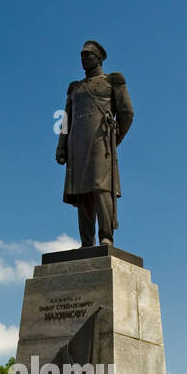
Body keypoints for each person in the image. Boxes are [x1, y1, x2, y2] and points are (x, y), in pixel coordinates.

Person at [55, 40, 134, 247]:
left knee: (100, 188)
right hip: (76, 143)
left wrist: (115, 138)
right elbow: (65, 119)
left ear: (98, 58)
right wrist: (61, 146)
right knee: (82, 192)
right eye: (81, 56)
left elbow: (126, 113)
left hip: (101, 141)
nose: (83, 59)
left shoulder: (112, 81)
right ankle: (87, 242)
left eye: (87, 55)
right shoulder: (75, 88)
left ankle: (106, 236)